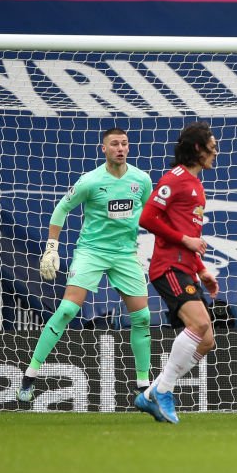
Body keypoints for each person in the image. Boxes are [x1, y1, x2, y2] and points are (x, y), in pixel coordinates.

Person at [17, 128, 154, 405]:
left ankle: (144, 388)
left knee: (142, 318)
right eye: (114, 144)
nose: (120, 148)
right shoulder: (90, 181)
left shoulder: (141, 180)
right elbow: (61, 209)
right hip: (91, 252)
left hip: (125, 255)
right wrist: (52, 248)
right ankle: (29, 376)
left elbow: (150, 214)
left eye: (124, 144)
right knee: (67, 309)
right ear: (103, 149)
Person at [134, 122, 220, 424]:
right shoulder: (176, 179)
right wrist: (185, 242)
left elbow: (189, 232)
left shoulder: (197, 185)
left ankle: (150, 394)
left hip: (186, 268)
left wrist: (202, 270)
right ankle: (164, 391)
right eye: (211, 144)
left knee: (207, 339)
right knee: (198, 324)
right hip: (167, 266)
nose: (216, 150)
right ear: (197, 148)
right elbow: (147, 217)